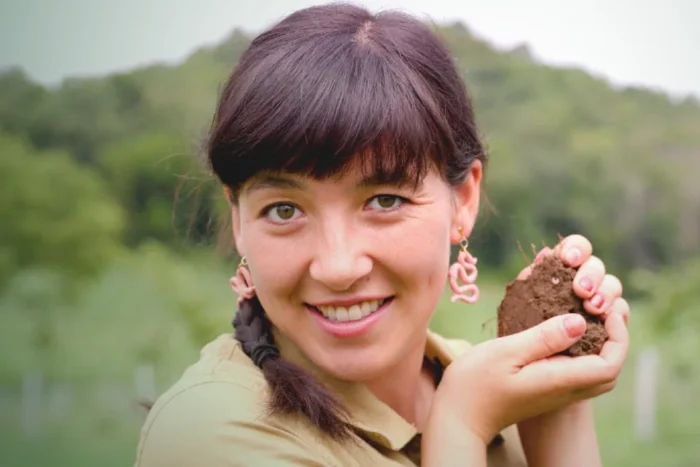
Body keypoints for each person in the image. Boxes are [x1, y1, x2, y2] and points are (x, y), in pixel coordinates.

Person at [134, 3, 630, 466]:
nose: (338, 266)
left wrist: (559, 406)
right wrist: (461, 425)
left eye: (385, 201)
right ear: (239, 220)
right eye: (284, 209)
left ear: (464, 200)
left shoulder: (493, 384)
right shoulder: (211, 433)